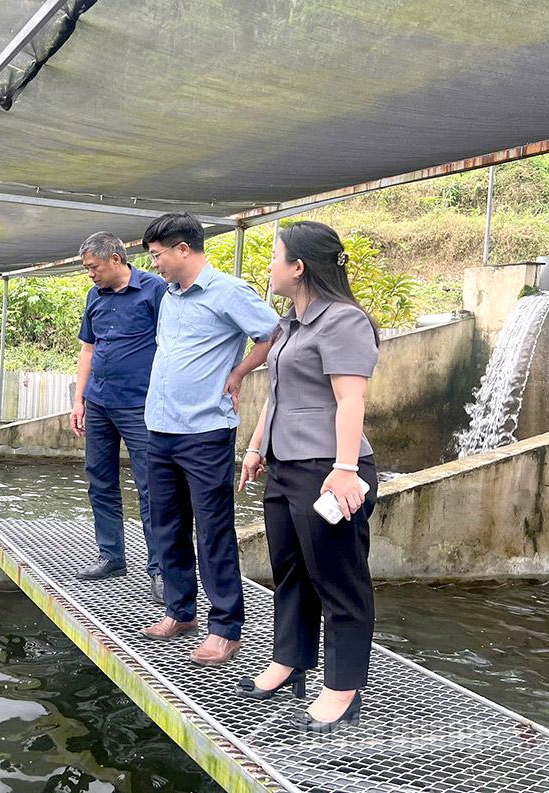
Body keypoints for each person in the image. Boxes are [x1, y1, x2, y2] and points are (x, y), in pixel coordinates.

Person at [237, 220, 379, 734]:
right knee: (291, 570)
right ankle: (292, 659)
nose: (269, 266)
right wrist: (256, 448)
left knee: (338, 579)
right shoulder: (291, 324)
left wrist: (344, 471)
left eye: (275, 257)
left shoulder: (343, 321)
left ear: (298, 267)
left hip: (328, 469)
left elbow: (350, 399)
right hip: (284, 464)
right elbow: (277, 393)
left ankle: (343, 686)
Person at [136, 213, 278, 669]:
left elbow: (274, 335)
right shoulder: (169, 296)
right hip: (159, 427)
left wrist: (239, 371)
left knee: (212, 529)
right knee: (166, 524)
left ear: (182, 249)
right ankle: (180, 611)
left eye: (157, 255)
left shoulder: (229, 292)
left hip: (204, 431)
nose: (154, 264)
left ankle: (225, 629)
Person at [70, 231, 169, 601]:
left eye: (93, 267)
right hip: (98, 403)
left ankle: (159, 570)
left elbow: (172, 343)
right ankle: (111, 555)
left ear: (115, 259)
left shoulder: (155, 290)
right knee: (100, 480)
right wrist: (79, 399)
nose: (89, 274)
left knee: (151, 487)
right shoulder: (94, 296)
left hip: (140, 406)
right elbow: (88, 348)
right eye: (86, 269)